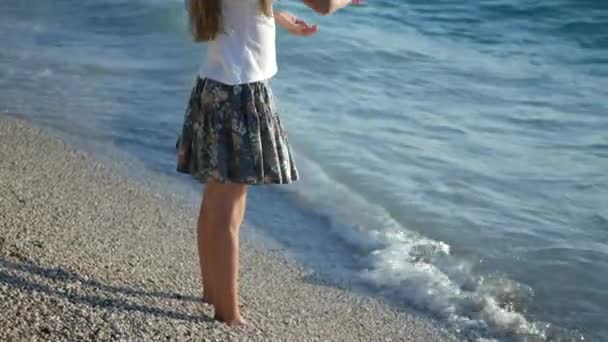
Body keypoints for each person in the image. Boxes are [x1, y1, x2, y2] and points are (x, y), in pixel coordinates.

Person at [176, 0, 351, 326]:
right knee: (229, 210)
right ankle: (228, 314)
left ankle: (212, 292)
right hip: (240, 93)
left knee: (214, 203)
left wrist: (278, 17)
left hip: (211, 86)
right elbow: (324, 5)